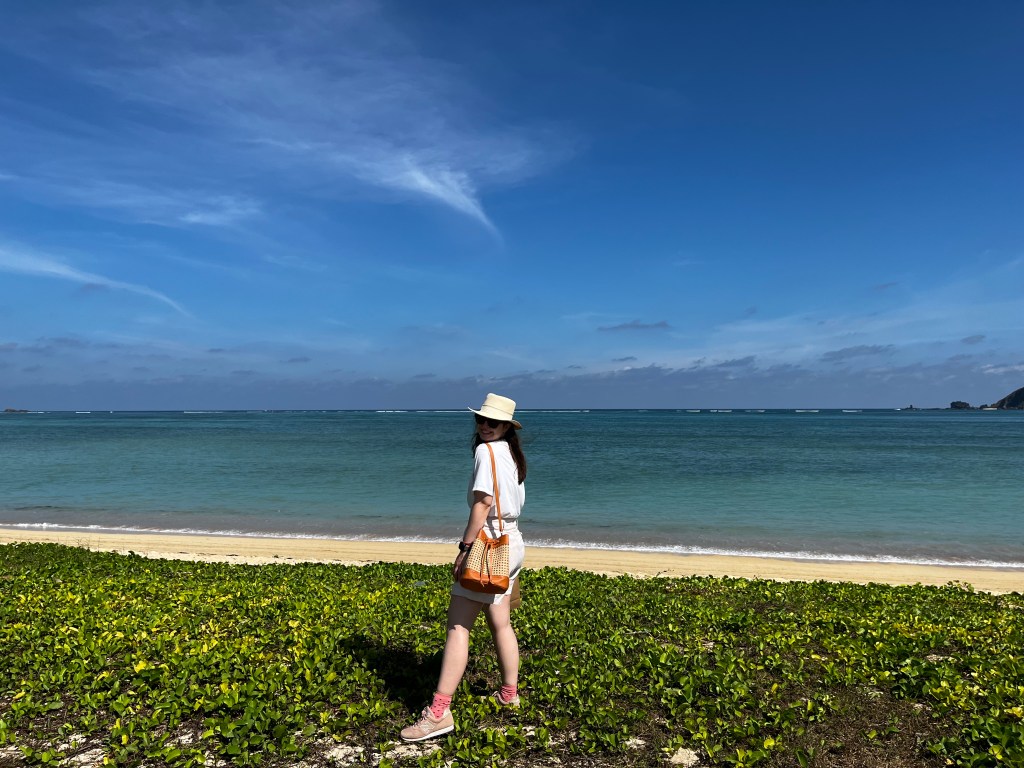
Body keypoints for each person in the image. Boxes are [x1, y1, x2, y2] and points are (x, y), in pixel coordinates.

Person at [400, 393, 527, 742]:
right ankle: (509, 694)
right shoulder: (512, 454)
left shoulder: (486, 452)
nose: (484, 426)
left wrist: (465, 548)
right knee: (501, 622)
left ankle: (439, 713)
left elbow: (483, 503)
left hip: (488, 544)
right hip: (512, 543)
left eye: (492, 422)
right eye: (480, 420)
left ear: (506, 427)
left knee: (458, 626)